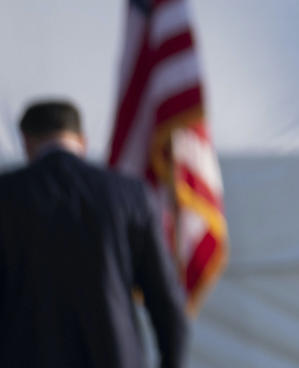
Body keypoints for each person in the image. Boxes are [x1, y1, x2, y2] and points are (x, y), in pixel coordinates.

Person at [0, 100, 189, 368]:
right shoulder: (131, 195)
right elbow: (167, 301)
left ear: (26, 142)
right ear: (82, 141)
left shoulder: (6, 195)